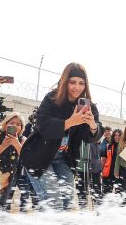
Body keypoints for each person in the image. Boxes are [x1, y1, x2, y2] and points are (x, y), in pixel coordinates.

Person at [21, 62, 104, 212]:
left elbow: (92, 136)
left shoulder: (89, 107)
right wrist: (71, 122)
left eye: (81, 83)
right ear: (65, 81)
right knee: (53, 205)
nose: (77, 87)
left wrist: (92, 124)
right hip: (38, 157)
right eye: (72, 82)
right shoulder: (52, 99)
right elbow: (43, 124)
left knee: (66, 204)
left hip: (64, 160)